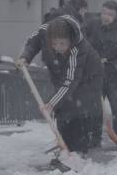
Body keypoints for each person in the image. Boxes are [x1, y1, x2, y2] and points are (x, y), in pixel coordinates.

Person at [16, 15, 103, 155]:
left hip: (88, 77)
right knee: (62, 109)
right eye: (54, 43)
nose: (57, 48)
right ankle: (65, 147)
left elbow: (69, 82)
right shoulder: (45, 30)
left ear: (70, 39)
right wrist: (25, 56)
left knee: (77, 111)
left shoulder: (78, 49)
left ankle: (78, 151)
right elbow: (32, 42)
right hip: (62, 71)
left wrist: (50, 104)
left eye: (62, 44)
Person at [87, 1, 117, 143]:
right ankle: (95, 138)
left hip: (114, 78)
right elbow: (84, 45)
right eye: (104, 12)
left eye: (110, 14)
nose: (106, 17)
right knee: (95, 108)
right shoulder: (93, 26)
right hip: (96, 76)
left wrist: (110, 65)